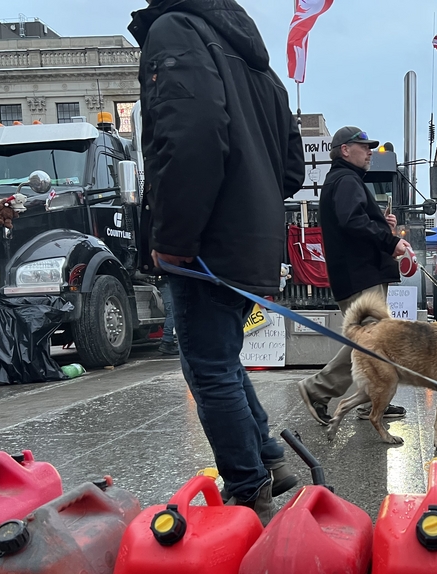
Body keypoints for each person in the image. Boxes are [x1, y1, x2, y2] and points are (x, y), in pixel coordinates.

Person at [129, 0, 305, 524]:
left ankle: (247, 488)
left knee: (208, 368)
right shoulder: (257, 61)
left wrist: (176, 237)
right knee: (220, 360)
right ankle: (268, 459)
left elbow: (190, 137)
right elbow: (292, 166)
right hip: (249, 241)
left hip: (204, 240)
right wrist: (254, 202)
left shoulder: (174, 30)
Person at [298, 126, 411, 426]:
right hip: (360, 276)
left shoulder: (343, 180)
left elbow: (353, 221)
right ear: (345, 150)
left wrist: (382, 225)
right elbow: (352, 221)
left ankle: (372, 400)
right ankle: (316, 390)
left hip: (357, 275)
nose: (370, 151)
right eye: (363, 146)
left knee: (371, 343)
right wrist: (390, 240)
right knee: (368, 344)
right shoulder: (346, 180)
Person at [157, 276, 178, 355]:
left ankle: (168, 341)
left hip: (164, 281)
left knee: (171, 311)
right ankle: (167, 341)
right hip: (167, 281)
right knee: (172, 312)